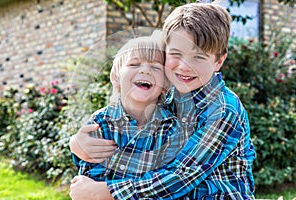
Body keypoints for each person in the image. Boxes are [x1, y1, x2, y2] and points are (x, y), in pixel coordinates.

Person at [70, 2, 256, 200]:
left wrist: (107, 191)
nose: (184, 67)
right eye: (176, 54)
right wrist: (77, 144)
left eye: (198, 57)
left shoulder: (222, 109)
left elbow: (181, 176)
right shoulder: (169, 97)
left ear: (219, 61)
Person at [71, 33, 186, 192]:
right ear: (116, 78)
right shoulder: (101, 123)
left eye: (155, 67)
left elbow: (164, 184)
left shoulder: (171, 128)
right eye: (134, 64)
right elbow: (89, 178)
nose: (145, 70)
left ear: (165, 84)